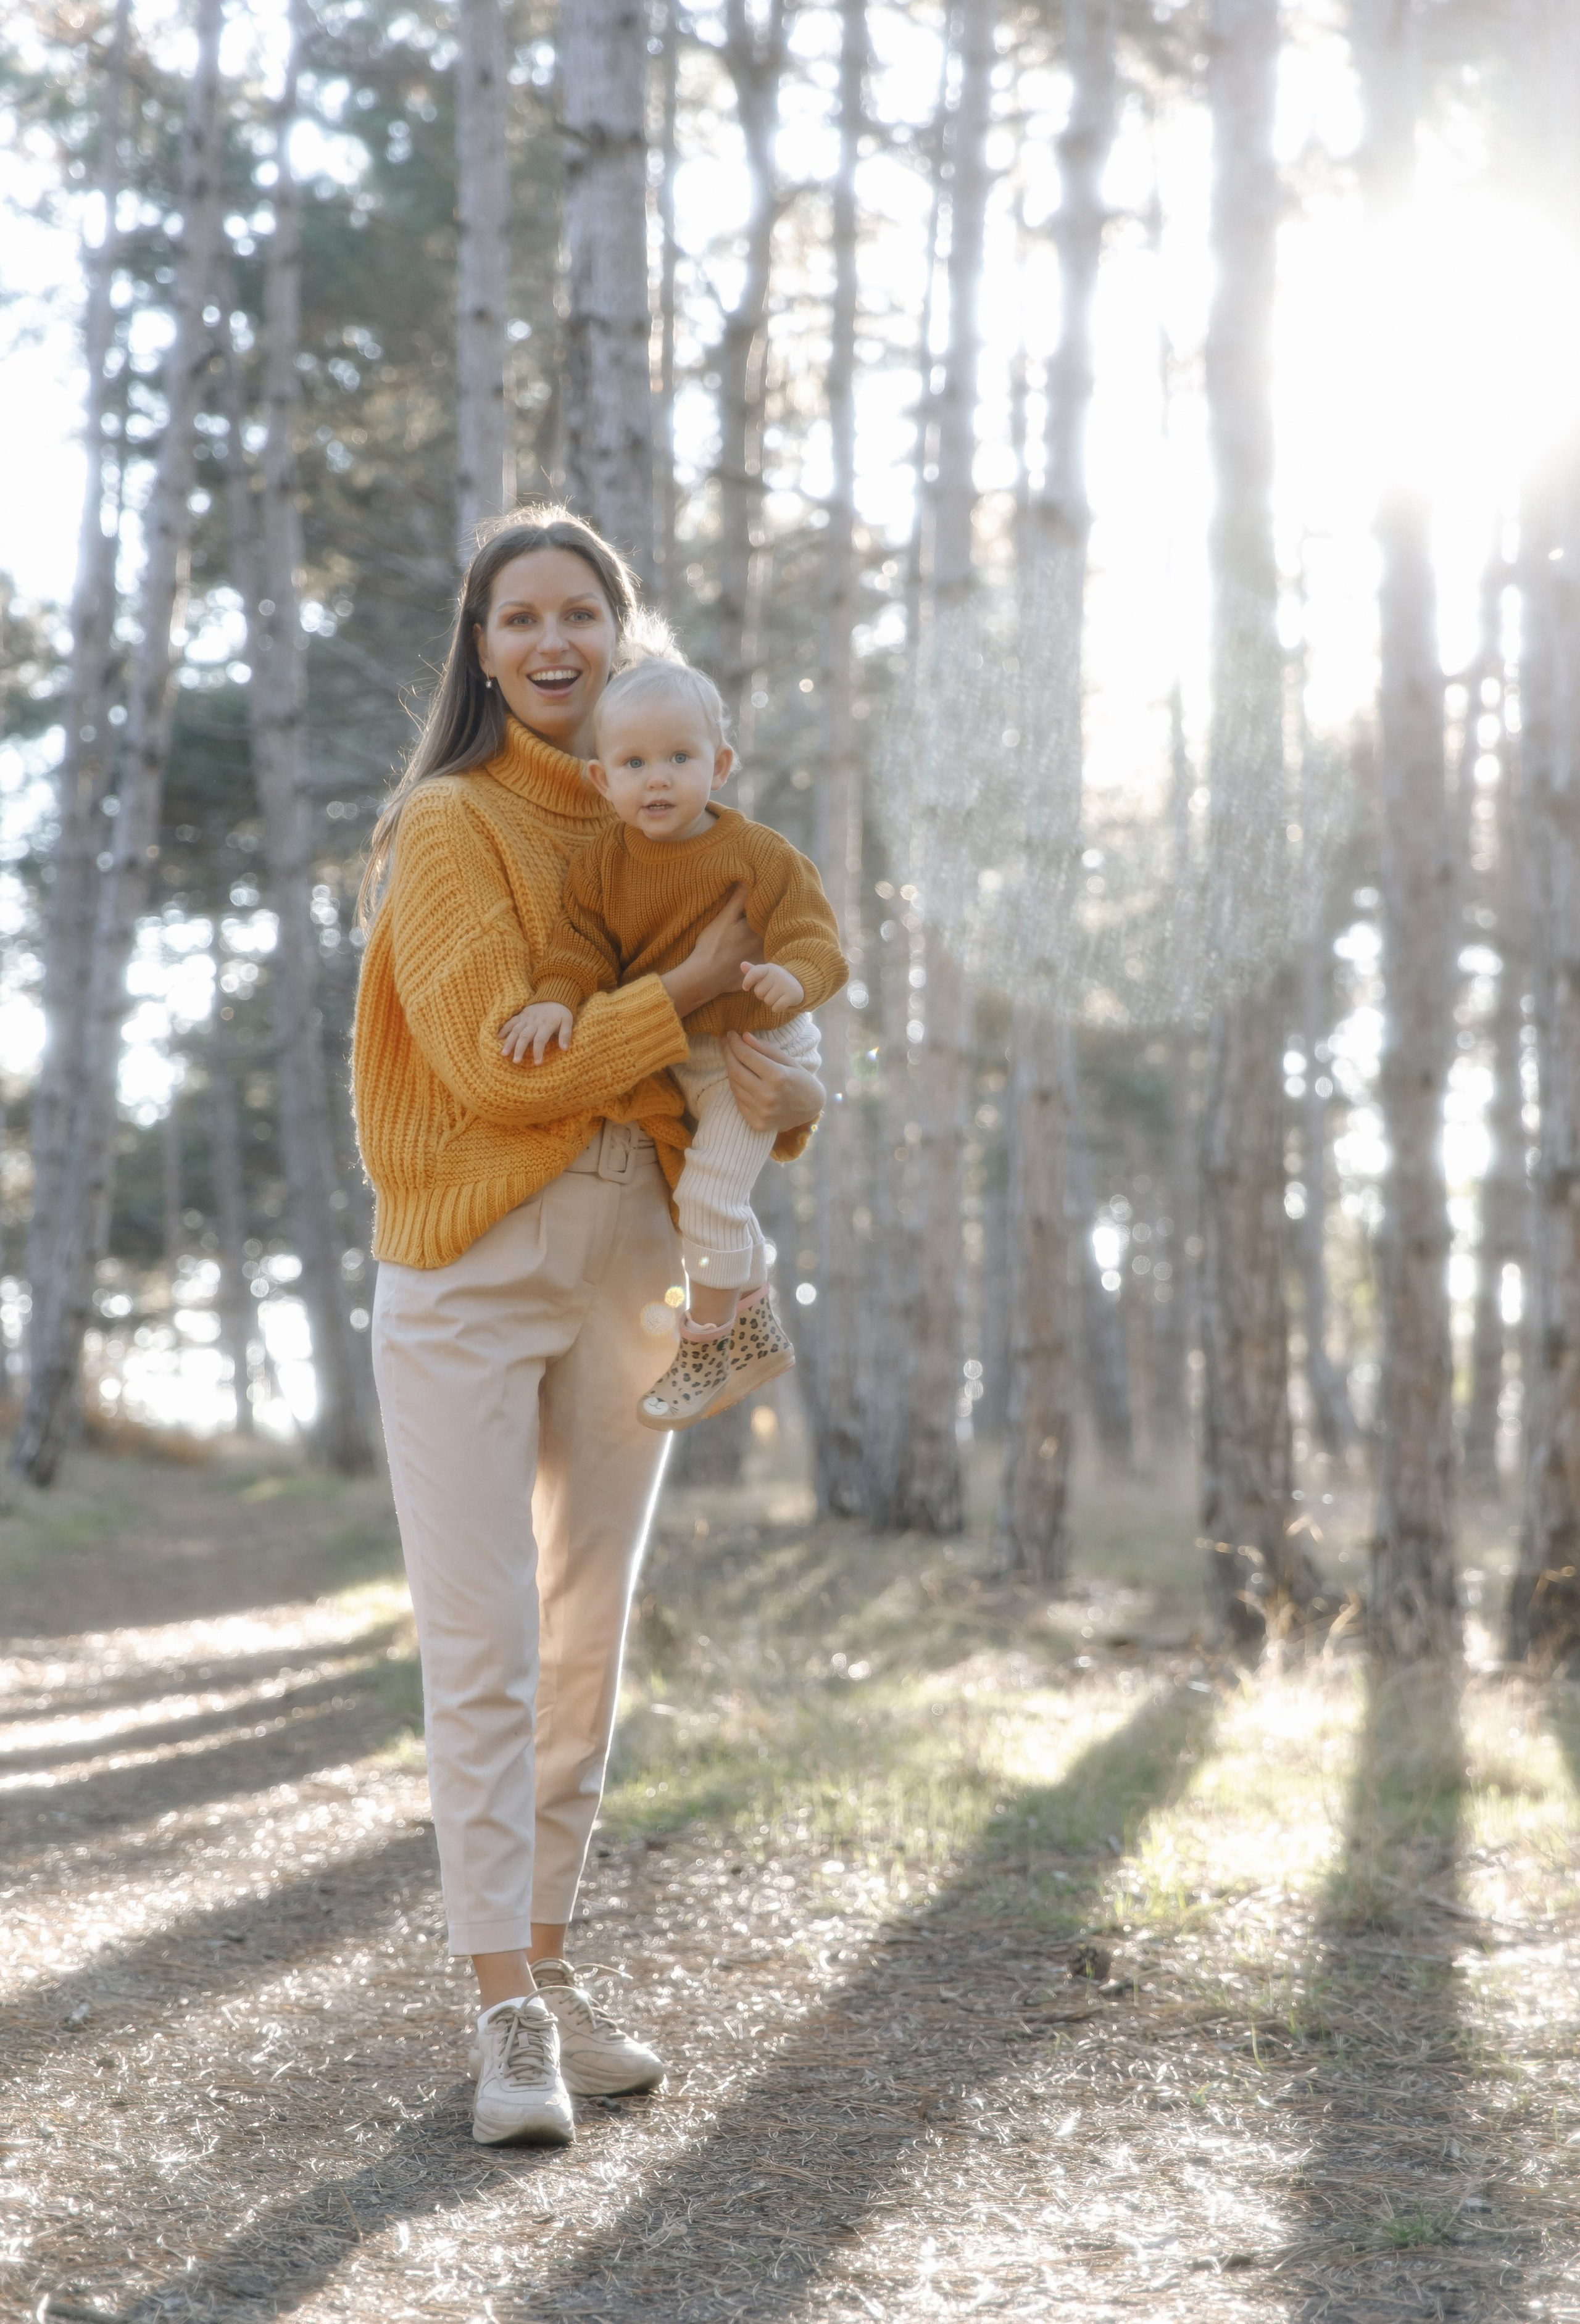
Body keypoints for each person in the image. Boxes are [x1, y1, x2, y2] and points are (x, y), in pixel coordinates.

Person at [352, 508, 825, 2148]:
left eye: (580, 614)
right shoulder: (451, 821)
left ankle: (550, 1963)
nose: (550, 642)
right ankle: (502, 2016)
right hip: (473, 1264)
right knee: (482, 1644)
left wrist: (754, 1060)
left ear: (621, 638)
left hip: (633, 1244)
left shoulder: (679, 819)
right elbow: (496, 1067)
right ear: (478, 649)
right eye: (516, 618)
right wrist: (687, 991)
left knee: (582, 1640)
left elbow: (744, 1025)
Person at [501, 656, 847, 1431]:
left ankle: (706, 1346)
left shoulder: (758, 854)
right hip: (682, 1050)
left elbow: (815, 937)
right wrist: (555, 1000)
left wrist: (795, 977)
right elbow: (577, 951)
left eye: (678, 759)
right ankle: (756, 1328)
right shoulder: (600, 868)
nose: (656, 780)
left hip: (757, 1044)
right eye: (633, 764)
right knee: (713, 1196)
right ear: (601, 780)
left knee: (708, 1195)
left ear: (719, 765)